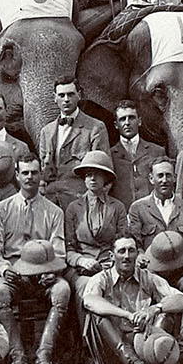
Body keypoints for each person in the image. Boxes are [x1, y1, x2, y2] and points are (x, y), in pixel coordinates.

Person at [0, 161, 70, 364]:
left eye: (34, 172)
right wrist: (4, 269)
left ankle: (43, 357)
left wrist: (53, 272)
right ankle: (18, 358)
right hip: (14, 273)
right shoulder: (0, 210)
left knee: (62, 291)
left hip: (44, 274)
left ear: (41, 174)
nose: (30, 177)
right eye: (25, 173)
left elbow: (59, 252)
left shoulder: (54, 211)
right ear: (17, 175)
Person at [82, 235, 183, 364]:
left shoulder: (148, 277)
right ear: (112, 256)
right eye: (121, 251)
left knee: (167, 310)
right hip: (110, 350)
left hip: (143, 345)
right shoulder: (101, 278)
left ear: (138, 254)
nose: (126, 256)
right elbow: (89, 301)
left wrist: (154, 309)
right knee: (97, 315)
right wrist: (127, 315)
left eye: (131, 251)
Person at [38, 81, 109, 208]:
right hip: (50, 202)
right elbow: (43, 172)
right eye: (61, 95)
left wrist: (93, 205)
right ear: (55, 97)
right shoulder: (46, 131)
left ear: (79, 95)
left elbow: (103, 172)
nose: (66, 99)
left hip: (80, 202)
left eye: (70, 94)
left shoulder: (95, 128)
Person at [64, 152, 128, 291]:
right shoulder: (73, 208)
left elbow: (123, 243)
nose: (92, 178)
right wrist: (82, 261)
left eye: (98, 174)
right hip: (81, 269)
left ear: (105, 177)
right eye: (88, 174)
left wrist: (113, 262)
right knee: (86, 286)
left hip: (110, 265)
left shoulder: (117, 207)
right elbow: (68, 248)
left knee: (118, 285)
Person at [108, 102, 164, 204]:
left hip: (151, 213)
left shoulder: (157, 151)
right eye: (122, 119)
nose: (127, 123)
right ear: (116, 125)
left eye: (131, 118)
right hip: (122, 215)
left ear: (139, 121)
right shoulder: (109, 155)